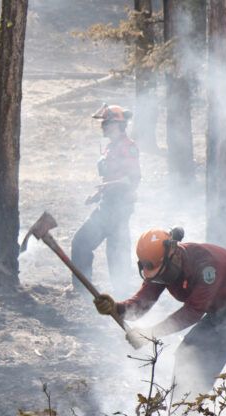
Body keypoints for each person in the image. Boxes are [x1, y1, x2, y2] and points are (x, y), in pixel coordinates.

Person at [93, 228, 226, 416]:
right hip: (221, 310)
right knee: (189, 357)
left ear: (172, 253)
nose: (160, 279)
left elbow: (192, 312)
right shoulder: (161, 267)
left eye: (162, 272)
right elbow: (141, 303)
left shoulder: (206, 263)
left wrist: (150, 334)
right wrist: (115, 308)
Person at [71, 104, 140, 295]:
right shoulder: (110, 148)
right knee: (81, 243)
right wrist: (98, 194)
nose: (103, 126)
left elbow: (133, 178)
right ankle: (82, 288)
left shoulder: (129, 147)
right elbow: (111, 178)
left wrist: (110, 187)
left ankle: (123, 298)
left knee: (117, 255)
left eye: (106, 123)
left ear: (118, 124)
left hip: (119, 208)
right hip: (107, 205)